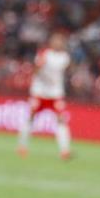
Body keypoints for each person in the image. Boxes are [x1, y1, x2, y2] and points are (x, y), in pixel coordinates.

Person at [17, 32, 72, 160]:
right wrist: (39, 66)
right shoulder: (44, 54)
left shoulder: (64, 57)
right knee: (31, 117)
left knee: (61, 120)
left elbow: (64, 70)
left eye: (60, 41)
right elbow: (35, 71)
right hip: (39, 92)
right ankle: (22, 146)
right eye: (55, 40)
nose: (57, 43)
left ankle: (65, 150)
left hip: (55, 93)